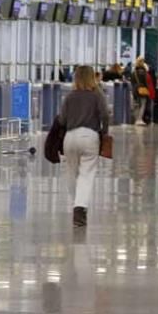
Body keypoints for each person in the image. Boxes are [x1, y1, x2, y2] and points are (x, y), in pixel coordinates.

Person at [56, 65, 110, 228]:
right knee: (86, 173)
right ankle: (79, 209)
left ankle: (76, 202)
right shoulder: (96, 94)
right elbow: (105, 114)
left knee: (71, 173)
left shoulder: (70, 96)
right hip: (89, 136)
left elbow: (62, 120)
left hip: (70, 137)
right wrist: (104, 133)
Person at [130, 57, 151, 126]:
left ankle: (136, 119)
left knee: (136, 105)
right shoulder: (143, 71)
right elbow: (146, 81)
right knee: (143, 104)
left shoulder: (134, 72)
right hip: (142, 89)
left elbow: (132, 81)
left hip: (135, 89)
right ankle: (140, 119)